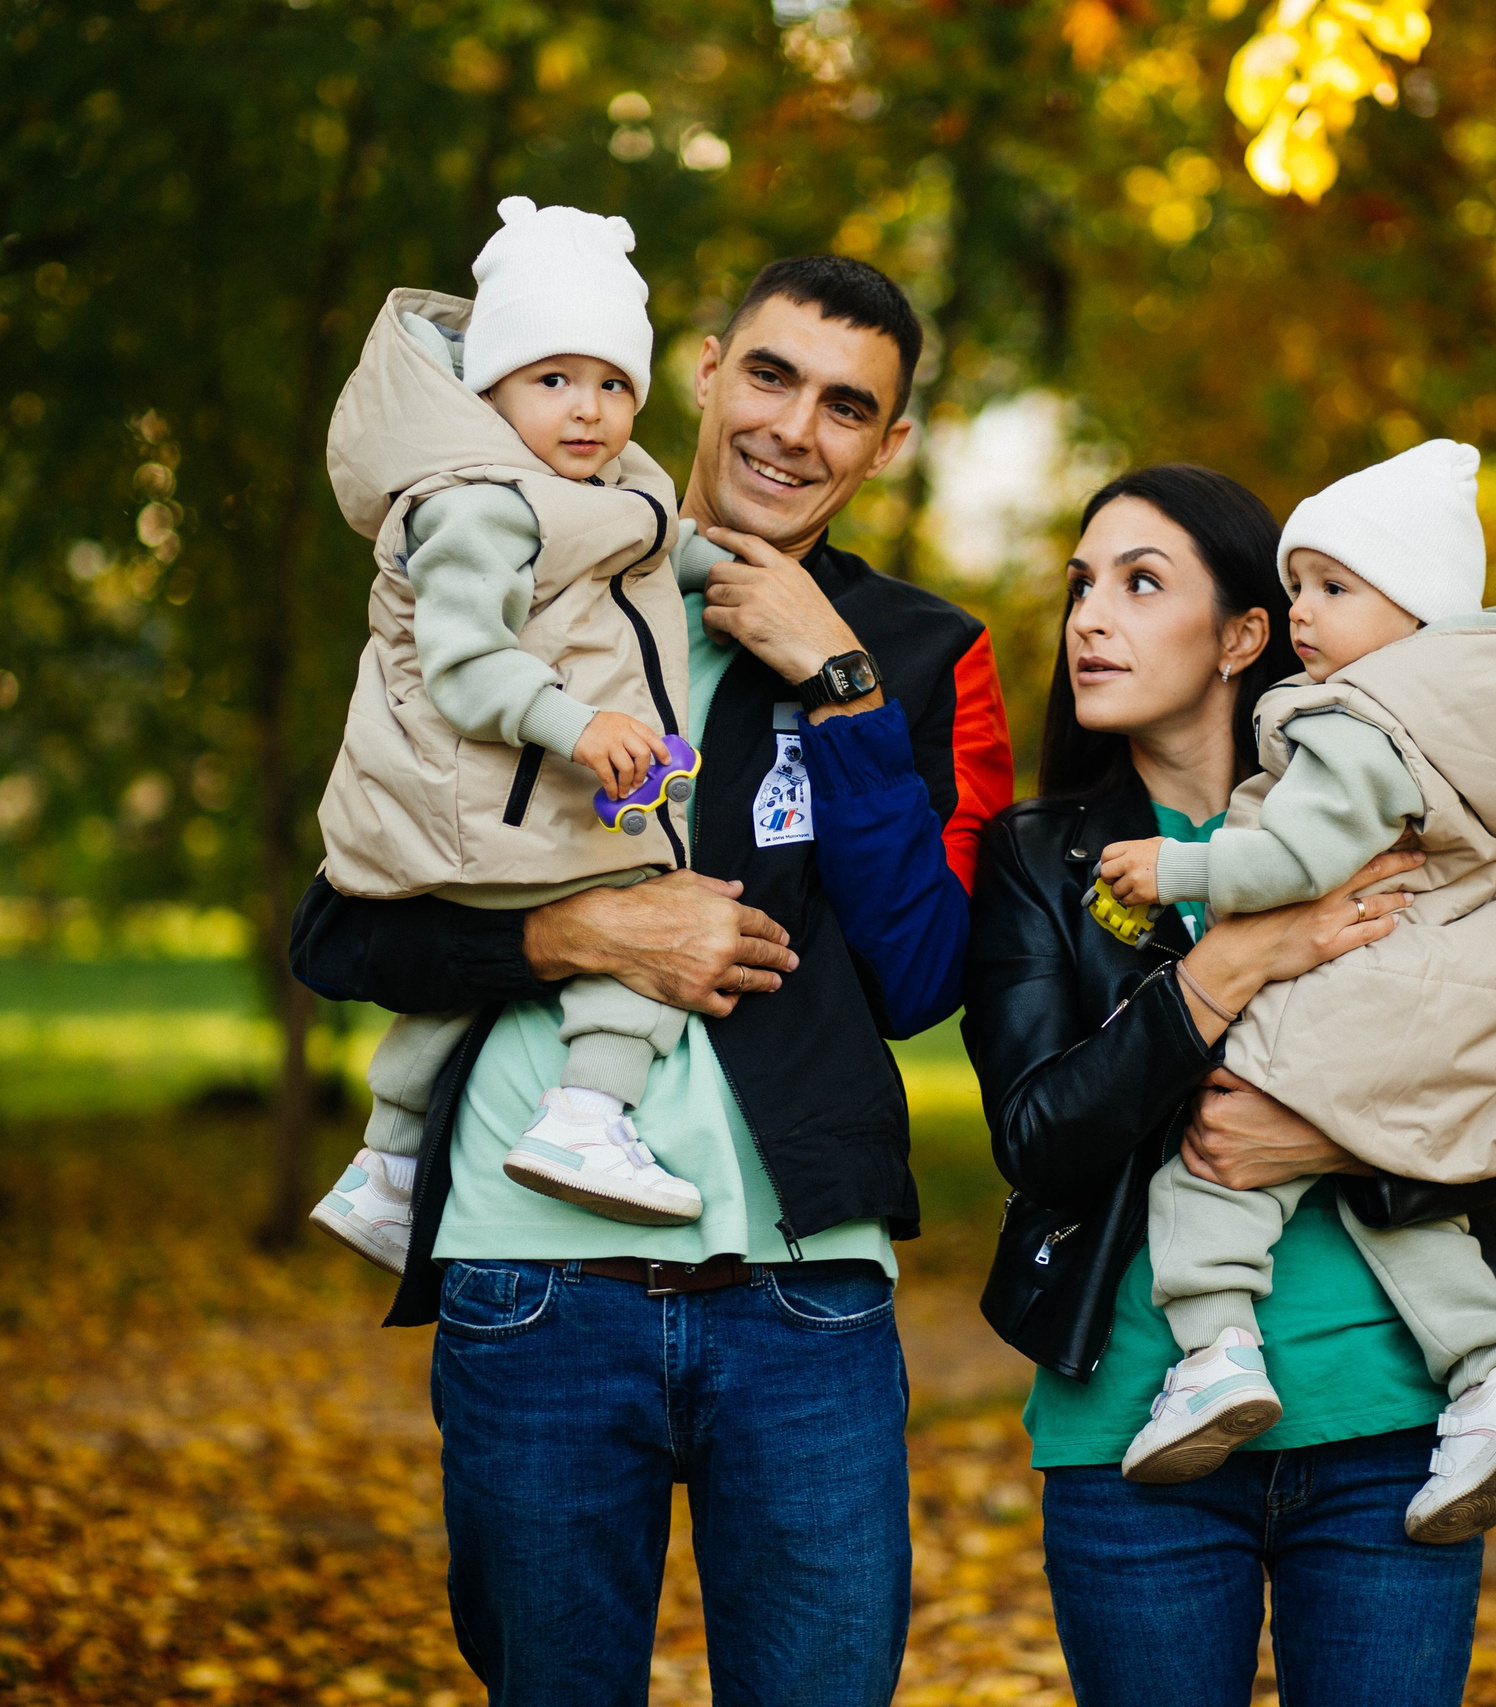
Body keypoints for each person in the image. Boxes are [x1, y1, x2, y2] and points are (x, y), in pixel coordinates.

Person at [290, 253, 1014, 1707]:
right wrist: (580, 936)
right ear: (701, 368)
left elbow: (923, 970)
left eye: (845, 405)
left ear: (891, 444)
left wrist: (842, 680)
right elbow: (344, 929)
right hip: (532, 1274)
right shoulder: (493, 569)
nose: (794, 428)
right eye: (770, 375)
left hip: (807, 1295)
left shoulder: (931, 653)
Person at [965, 464, 1496, 1707]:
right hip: (1138, 1431)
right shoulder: (1045, 859)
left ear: (1244, 634)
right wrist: (1232, 964)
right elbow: (1037, 1138)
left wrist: (1322, 1139)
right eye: (1081, 584)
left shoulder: (1402, 814)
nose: (1090, 616)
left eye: (1141, 584)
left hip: (1395, 1428)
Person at [1086, 443, 1496, 1544]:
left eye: (1332, 589)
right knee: (1405, 1197)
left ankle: (1217, 1355)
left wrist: (1177, 869)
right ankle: (1490, 1378)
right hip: (1453, 1017)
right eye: (1294, 588)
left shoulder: (1353, 723)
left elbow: (1294, 864)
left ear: (1415, 615)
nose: (1302, 616)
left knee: (1211, 1169)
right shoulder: (1481, 730)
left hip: (1354, 996)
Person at [310, 197, 744, 1253]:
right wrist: (576, 723)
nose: (587, 410)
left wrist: (723, 567)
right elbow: (464, 665)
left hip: (486, 816)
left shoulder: (581, 484)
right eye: (552, 380)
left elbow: (641, 548)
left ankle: (387, 1163)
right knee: (644, 908)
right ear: (489, 387)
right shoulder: (474, 505)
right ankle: (588, 1117)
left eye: (610, 384)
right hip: (474, 799)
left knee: (451, 1002)